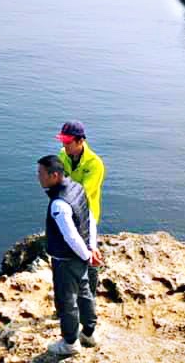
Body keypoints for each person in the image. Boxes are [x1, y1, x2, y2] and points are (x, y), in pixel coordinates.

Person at [38, 154, 101, 357]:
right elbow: (89, 217)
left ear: (54, 175)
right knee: (85, 293)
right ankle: (89, 333)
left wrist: (85, 255)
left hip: (66, 260)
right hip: (82, 256)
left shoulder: (59, 204)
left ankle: (70, 342)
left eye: (41, 173)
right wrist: (91, 249)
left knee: (67, 301)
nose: (38, 177)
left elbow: (71, 236)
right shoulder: (77, 188)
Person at [56, 120, 106, 296]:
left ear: (80, 141)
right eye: (63, 141)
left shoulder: (94, 164)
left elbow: (82, 193)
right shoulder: (62, 156)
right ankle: (69, 298)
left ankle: (88, 296)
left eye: (68, 142)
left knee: (88, 255)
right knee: (67, 258)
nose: (64, 145)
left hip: (86, 216)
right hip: (67, 213)